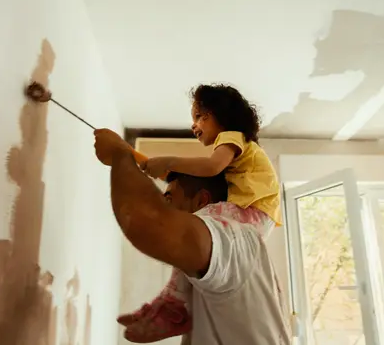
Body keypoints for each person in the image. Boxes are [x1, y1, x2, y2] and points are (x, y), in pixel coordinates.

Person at [93, 128, 290, 345]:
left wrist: (121, 155)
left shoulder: (233, 239)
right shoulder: (220, 251)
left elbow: (148, 225)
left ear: (201, 201)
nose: (164, 206)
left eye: (169, 198)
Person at [119, 84, 282, 342]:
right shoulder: (237, 152)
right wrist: (136, 159)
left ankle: (172, 306)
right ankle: (172, 303)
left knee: (198, 223)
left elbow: (210, 166)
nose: (193, 125)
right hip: (257, 216)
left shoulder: (232, 138)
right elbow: (186, 178)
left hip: (254, 212)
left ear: (221, 115)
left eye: (199, 116)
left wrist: (168, 160)